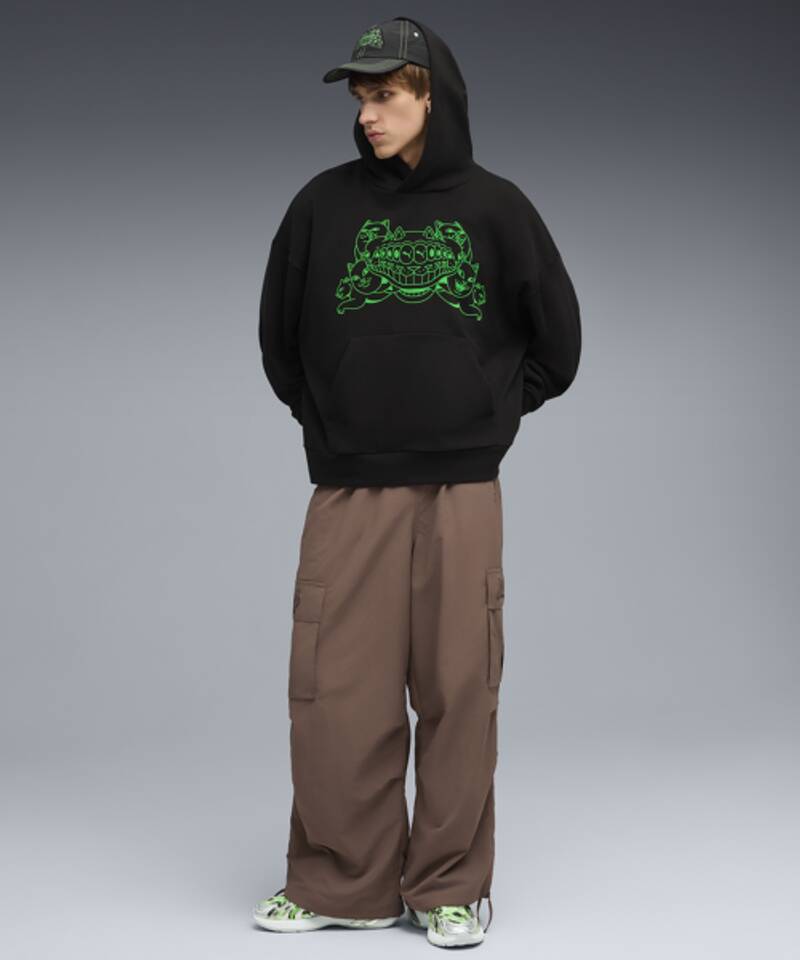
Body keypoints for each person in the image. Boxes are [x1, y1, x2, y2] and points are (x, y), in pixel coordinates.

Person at [253, 16, 581, 948]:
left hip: (462, 488)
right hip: (350, 486)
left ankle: (447, 887)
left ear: (435, 98)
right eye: (361, 98)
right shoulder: (320, 206)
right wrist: (335, 421)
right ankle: (340, 883)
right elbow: (280, 340)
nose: (369, 114)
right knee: (334, 693)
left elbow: (558, 344)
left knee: (459, 689)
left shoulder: (498, 207)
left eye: (387, 95)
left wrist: (484, 413)